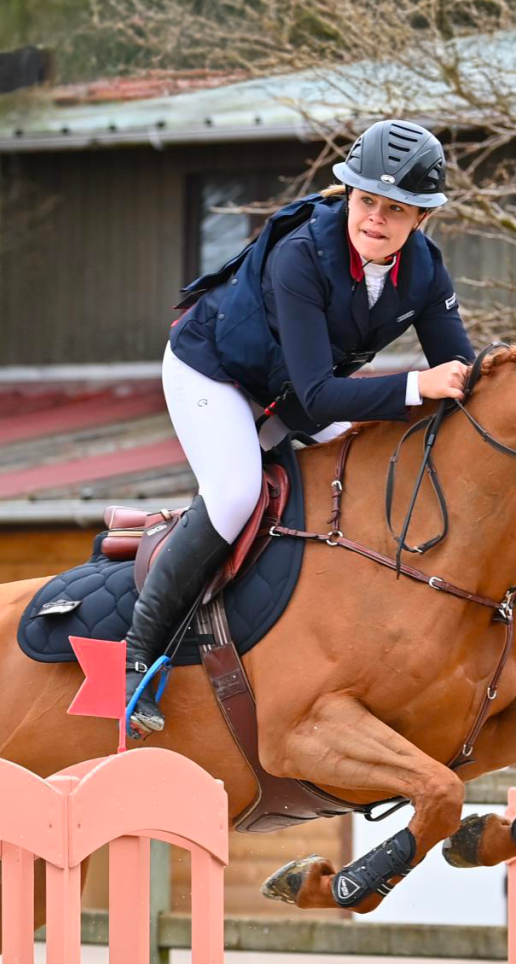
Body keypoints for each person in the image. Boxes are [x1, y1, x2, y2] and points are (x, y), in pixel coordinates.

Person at [123, 117, 478, 733]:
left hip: (289, 389)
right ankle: (137, 658)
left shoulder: (424, 270)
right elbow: (319, 398)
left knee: (369, 473)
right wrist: (417, 385)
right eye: (367, 201)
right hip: (215, 373)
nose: (376, 219)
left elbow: (461, 366)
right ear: (350, 194)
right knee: (235, 493)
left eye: (396, 209)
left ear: (422, 218)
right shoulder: (300, 257)